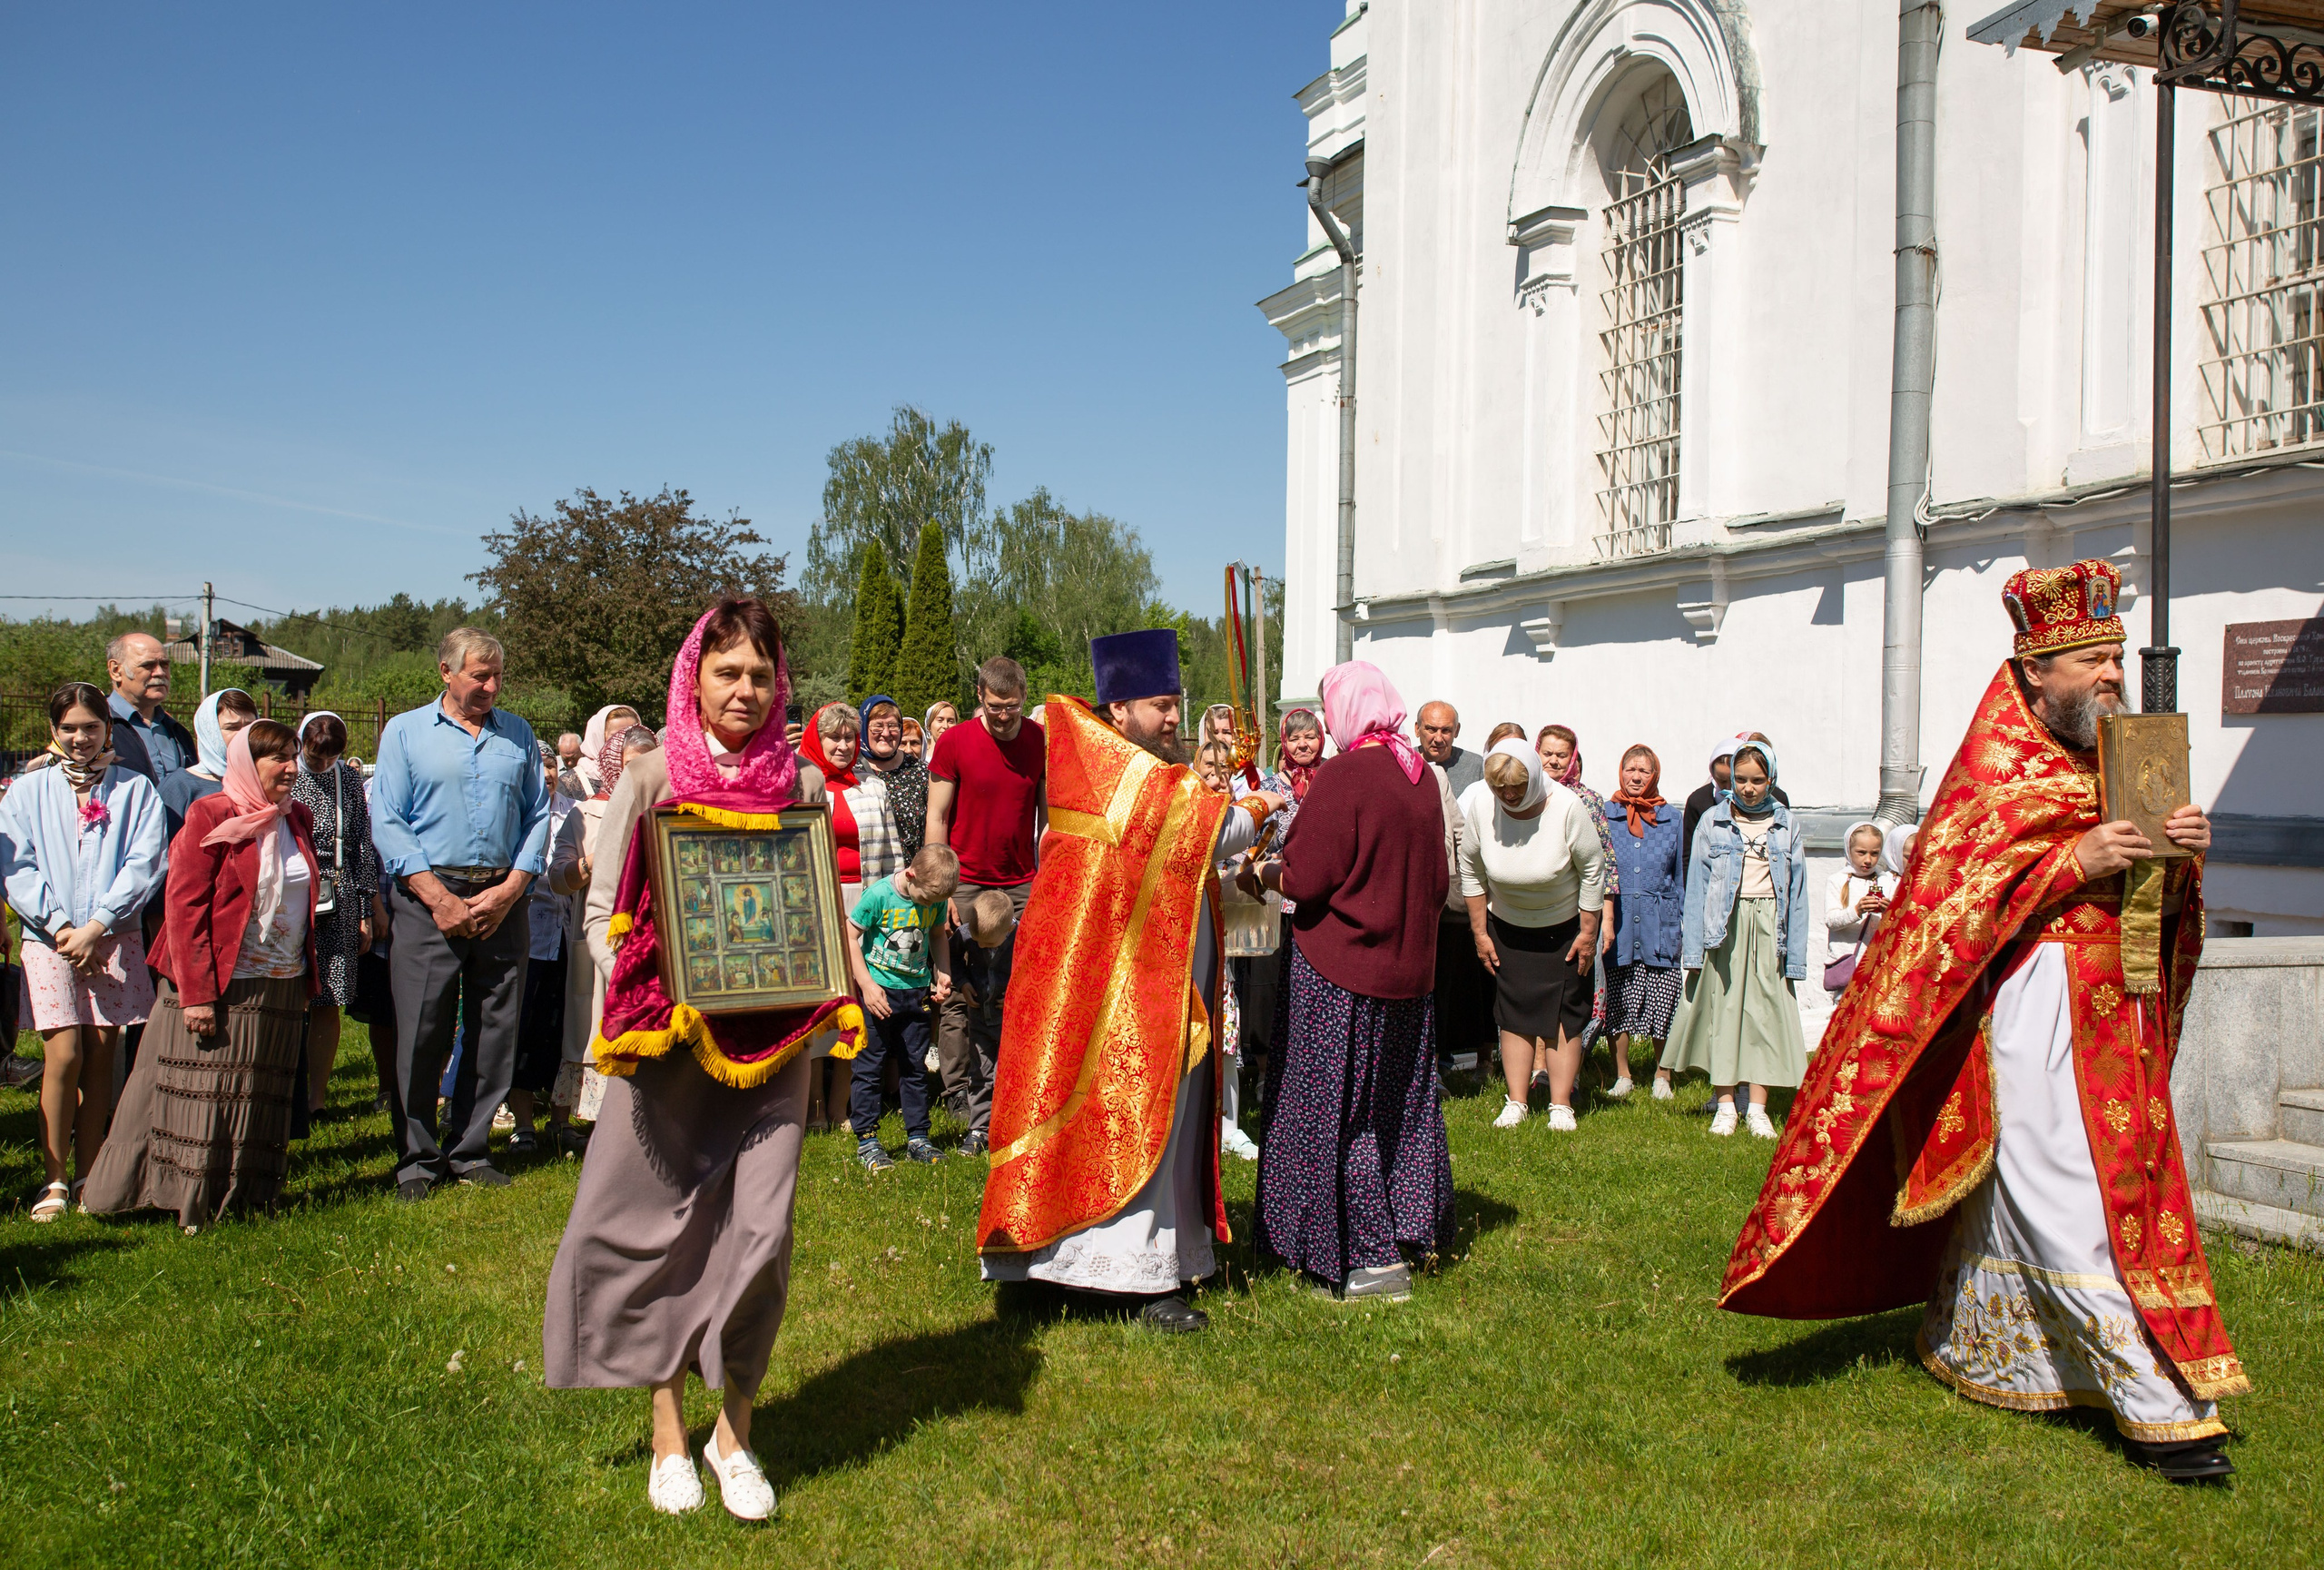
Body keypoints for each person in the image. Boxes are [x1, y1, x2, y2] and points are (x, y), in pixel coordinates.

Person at [1721, 558, 2244, 1481]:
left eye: (2116, 657)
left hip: (2117, 1017)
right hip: (2035, 1010)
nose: (2112, 675)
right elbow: (1953, 905)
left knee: (2105, 1193)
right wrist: (2072, 861)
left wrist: (2182, 860)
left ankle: (1989, 1346)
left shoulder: (2129, 757)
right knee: (2064, 1194)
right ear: (2036, 671)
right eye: (2091, 660)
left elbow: (2154, 907)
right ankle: (2158, 1405)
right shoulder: (1996, 772)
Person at [547, 598, 862, 1520]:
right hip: (671, 1045)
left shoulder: (800, 781)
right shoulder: (651, 775)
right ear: (695, 678)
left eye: (760, 674)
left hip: (775, 1048)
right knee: (661, 1229)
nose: (744, 690)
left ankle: (735, 1433)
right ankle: (667, 1436)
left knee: (761, 1235)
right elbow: (604, 911)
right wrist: (661, 978)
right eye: (727, 672)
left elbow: (813, 906)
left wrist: (818, 976)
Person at [979, 630, 1280, 1330]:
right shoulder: (1120, 767)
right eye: (1160, 705)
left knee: (1115, 1119)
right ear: (1119, 709)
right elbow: (1209, 831)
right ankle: (1135, 1277)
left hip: (1123, 976)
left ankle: (1062, 1262)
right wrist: (1264, 805)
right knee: (1135, 1117)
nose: (1174, 718)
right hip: (1126, 991)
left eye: (1176, 704)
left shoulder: (1117, 763)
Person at [1245, 661, 1449, 1298]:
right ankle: (1409, 1227)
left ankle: (1367, 1256)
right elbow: (1438, 879)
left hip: (1341, 972)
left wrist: (1263, 875)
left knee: (1336, 1110)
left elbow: (1306, 877)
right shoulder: (1421, 775)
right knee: (1399, 1107)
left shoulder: (1345, 774)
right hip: (1409, 971)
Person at [84, 722, 320, 1229]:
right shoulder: (211, 813)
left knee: (258, 1096)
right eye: (278, 758)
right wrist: (196, 995)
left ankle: (249, 1194)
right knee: (202, 1096)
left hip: (279, 981)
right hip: (219, 981)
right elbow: (184, 907)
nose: (291, 768)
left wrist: (302, 977)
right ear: (247, 764)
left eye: (293, 756)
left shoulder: (295, 816)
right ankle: (190, 1200)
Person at [369, 627, 553, 1201]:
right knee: (422, 1029)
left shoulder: (518, 734)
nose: (492, 687)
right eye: (480, 676)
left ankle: (470, 1150)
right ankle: (417, 1159)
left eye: (498, 676)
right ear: (446, 672)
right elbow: (388, 819)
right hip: (429, 898)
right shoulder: (405, 732)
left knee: (496, 1028)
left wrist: (512, 888)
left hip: (502, 900)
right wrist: (438, 898)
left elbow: (538, 815)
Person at [0, 683, 168, 1219]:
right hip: (49, 939)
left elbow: (146, 861)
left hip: (112, 937)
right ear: (54, 731)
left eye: (91, 727)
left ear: (107, 729)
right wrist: (64, 929)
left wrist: (97, 926)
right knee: (64, 1054)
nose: (80, 737)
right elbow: (17, 867)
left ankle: (90, 1173)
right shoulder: (27, 792)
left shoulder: (134, 789)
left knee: (100, 1054)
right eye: (69, 728)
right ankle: (53, 1177)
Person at [1659, 740, 1807, 1137]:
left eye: (1757, 780)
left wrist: (1794, 954)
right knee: (1723, 1014)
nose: (1748, 788)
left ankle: (1757, 1107)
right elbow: (1697, 886)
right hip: (1724, 926)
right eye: (1741, 779)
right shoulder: (1713, 820)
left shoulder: (1786, 823)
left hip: (1769, 926)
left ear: (1771, 779)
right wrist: (1694, 949)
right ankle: (1725, 1105)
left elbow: (1797, 892)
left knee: (1764, 1015)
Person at [1457, 739, 1607, 1132]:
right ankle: (1517, 1102)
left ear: (1535, 778)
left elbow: (1593, 870)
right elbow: (1470, 870)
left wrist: (1588, 932)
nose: (1508, 795)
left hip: (1565, 930)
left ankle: (1561, 1105)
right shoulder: (1482, 806)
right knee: (1514, 1015)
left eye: (1516, 788)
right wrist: (1480, 933)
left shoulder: (1567, 807)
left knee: (1564, 1017)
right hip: (1507, 929)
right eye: (1499, 788)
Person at [928, 657, 1045, 1120]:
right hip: (965, 882)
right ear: (979, 696)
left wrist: (1047, 879)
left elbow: (1048, 819)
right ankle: (958, 1093)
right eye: (995, 706)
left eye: (1012, 707)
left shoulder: (1039, 741)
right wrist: (942, 890)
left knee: (1022, 989)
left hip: (1022, 882)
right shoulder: (954, 742)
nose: (1003, 715)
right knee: (961, 993)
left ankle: (1016, 1090)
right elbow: (937, 816)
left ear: (1023, 698)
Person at [547, 722, 654, 1149]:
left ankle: (635, 1121)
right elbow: (558, 878)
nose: (637, 774)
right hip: (596, 935)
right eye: (629, 765)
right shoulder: (584, 813)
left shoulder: (666, 808)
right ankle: (564, 1122)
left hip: (647, 938)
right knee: (587, 1026)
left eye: (646, 764)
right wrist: (595, 861)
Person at [285, 712, 377, 1119]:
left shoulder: (349, 781)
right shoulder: (286, 775)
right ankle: (283, 1093)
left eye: (330, 758)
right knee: (289, 995)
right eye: (314, 756)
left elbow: (361, 845)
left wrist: (365, 910)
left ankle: (316, 1099)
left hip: (338, 895)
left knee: (328, 999)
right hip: (291, 894)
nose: (322, 764)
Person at [846, 844, 959, 1170]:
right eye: (926, 899)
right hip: (878, 995)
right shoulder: (879, 895)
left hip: (916, 994)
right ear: (910, 875)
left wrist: (943, 972)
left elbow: (936, 934)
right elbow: (848, 936)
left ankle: (918, 1137)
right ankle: (867, 1140)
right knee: (869, 1068)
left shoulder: (935, 899)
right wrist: (867, 985)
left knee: (915, 1066)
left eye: (936, 902)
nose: (930, 906)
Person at [1414, 701, 1492, 1076]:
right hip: (1414, 894)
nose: (1438, 737)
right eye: (1431, 729)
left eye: (1445, 730)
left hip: (1454, 895)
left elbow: (1463, 832)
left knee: (1452, 981)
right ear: (1417, 730)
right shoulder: (1405, 765)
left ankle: (1449, 1056)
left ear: (1456, 732)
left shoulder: (1473, 766)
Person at [1603, 745, 1685, 1098]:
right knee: (1619, 1000)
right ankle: (1622, 1075)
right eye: (1630, 769)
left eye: (1644, 771)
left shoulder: (1672, 818)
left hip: (1659, 924)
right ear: (1621, 772)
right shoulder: (1606, 814)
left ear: (1655, 776)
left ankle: (1662, 1075)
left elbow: (1679, 876)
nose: (1636, 777)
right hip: (1619, 923)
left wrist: (1682, 922)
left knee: (1664, 1000)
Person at [1196, 741, 1263, 1162]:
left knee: (1227, 1036)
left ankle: (1231, 1127)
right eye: (1208, 768)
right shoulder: (1191, 813)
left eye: (1224, 770)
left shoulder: (1239, 818)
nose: (1217, 777)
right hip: (1190, 947)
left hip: (1228, 947)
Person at [507, 742, 575, 1153]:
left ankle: (560, 1121)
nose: (547, 773)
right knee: (525, 1029)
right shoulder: (515, 811)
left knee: (562, 1029)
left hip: (566, 937)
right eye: (541, 765)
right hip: (528, 938)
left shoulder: (574, 811)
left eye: (552, 766)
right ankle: (523, 1123)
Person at [949, 887, 1016, 1155]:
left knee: (1008, 1075)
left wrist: (1017, 992)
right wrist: (962, 982)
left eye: (988, 944)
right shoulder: (968, 935)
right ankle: (978, 1130)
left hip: (1011, 1022)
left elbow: (1039, 968)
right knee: (980, 1073)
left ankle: (1007, 1129)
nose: (981, 947)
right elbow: (952, 958)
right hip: (979, 1018)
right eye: (977, 943)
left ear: (1008, 930)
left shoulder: (1022, 936)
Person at [1682, 731, 1792, 868]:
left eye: (1734, 779)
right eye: (1721, 781)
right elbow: (1690, 858)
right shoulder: (1700, 804)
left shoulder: (1778, 801)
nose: (1728, 787)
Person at [101, 632, 196, 789]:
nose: (160, 673)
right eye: (148, 665)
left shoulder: (178, 733)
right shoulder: (97, 728)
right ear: (116, 670)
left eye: (164, 664)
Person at [159, 688, 258, 837]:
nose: (244, 734)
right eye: (232, 728)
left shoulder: (261, 782)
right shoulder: (180, 786)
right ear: (210, 732)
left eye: (250, 726)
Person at [1822, 821, 1892, 1002]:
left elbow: (1897, 925)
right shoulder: (1837, 880)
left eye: (1874, 853)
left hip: (1877, 963)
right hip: (1847, 962)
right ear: (1849, 849)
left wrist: (1889, 911)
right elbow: (1831, 921)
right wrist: (1857, 910)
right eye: (1861, 852)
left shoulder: (1886, 880)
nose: (1868, 860)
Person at [857, 693, 928, 861]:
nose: (886, 733)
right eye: (877, 726)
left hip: (912, 870)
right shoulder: (851, 772)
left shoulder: (920, 771)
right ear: (864, 728)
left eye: (892, 725)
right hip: (868, 870)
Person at [574, 705, 642, 795]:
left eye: (633, 734)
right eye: (617, 735)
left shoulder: (647, 774)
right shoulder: (572, 785)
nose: (626, 741)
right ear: (599, 737)